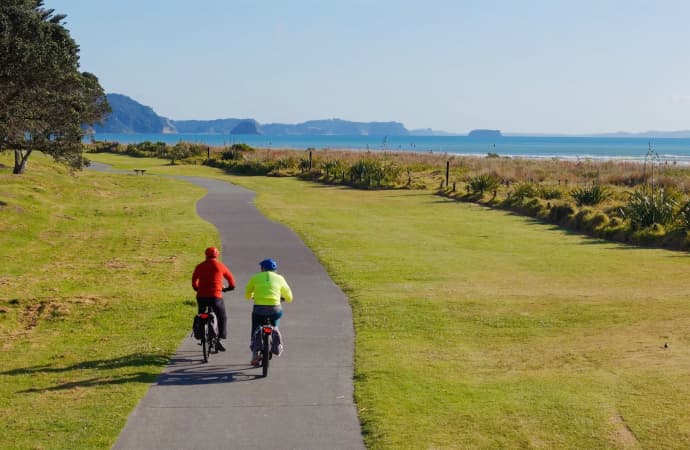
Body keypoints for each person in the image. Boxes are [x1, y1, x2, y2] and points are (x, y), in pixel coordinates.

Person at [244, 258, 293, 365]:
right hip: (275, 309)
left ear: (262, 268)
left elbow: (247, 294)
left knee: (256, 329)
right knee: (275, 323)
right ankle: (276, 340)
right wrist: (282, 298)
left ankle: (255, 354)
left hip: (259, 309)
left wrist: (252, 296)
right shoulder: (280, 278)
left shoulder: (255, 277)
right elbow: (289, 297)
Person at [192, 247, 236, 351]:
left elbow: (194, 281)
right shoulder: (220, 266)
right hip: (215, 297)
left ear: (205, 255)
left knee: (201, 313)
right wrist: (228, 288)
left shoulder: (200, 266)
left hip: (201, 296)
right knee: (222, 317)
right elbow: (231, 282)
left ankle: (200, 333)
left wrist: (197, 288)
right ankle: (220, 338)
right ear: (217, 255)